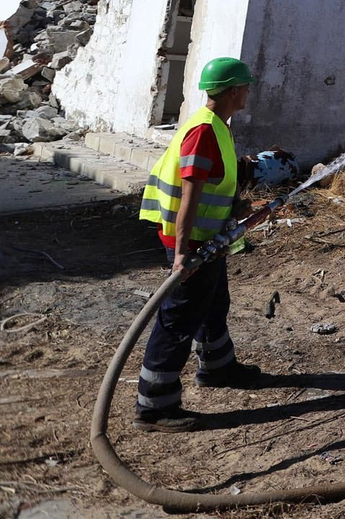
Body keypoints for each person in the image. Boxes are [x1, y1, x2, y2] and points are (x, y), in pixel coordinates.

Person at [133, 57, 262, 431]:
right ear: (234, 91)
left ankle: (218, 368)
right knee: (178, 319)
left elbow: (210, 186)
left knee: (214, 300)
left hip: (206, 238)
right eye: (246, 87)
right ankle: (154, 407)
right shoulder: (204, 130)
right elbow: (189, 197)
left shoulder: (217, 125)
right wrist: (182, 255)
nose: (248, 93)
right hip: (188, 241)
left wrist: (234, 206)